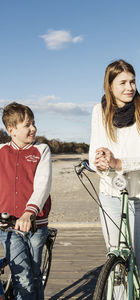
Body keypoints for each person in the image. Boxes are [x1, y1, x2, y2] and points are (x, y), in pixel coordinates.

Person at [89, 59, 140, 299]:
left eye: (132, 81)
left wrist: (118, 163)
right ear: (110, 86)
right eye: (122, 82)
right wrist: (100, 161)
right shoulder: (99, 111)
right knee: (117, 267)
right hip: (109, 195)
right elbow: (94, 154)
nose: (129, 87)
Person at [0, 102, 52, 300]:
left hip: (35, 224)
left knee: (35, 275)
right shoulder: (1, 152)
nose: (33, 129)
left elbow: (43, 184)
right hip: (8, 226)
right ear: (11, 130)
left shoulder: (41, 150)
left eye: (34, 123)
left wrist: (28, 212)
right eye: (27, 125)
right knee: (22, 276)